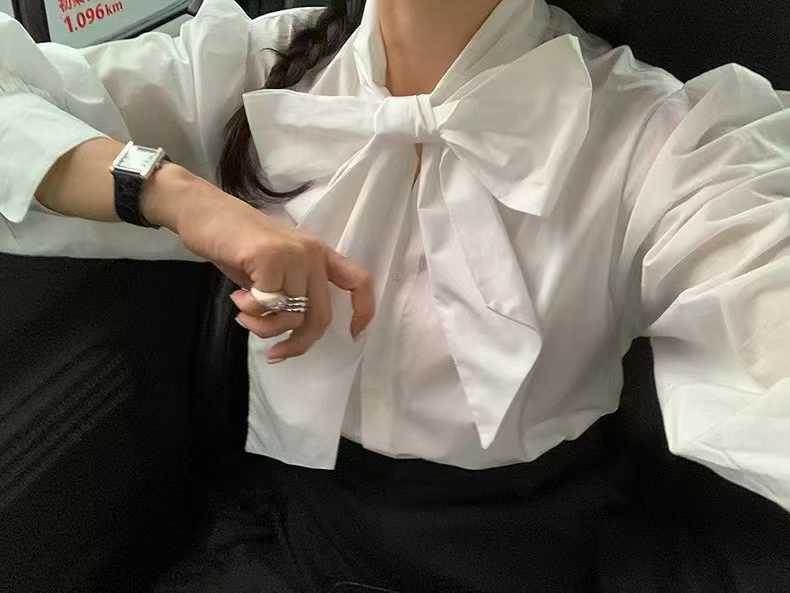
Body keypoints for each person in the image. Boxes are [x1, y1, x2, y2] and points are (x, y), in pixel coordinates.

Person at [1, 0, 789, 591]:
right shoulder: (257, 63)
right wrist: (177, 195)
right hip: (298, 537)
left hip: (526, 556)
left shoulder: (668, 138)